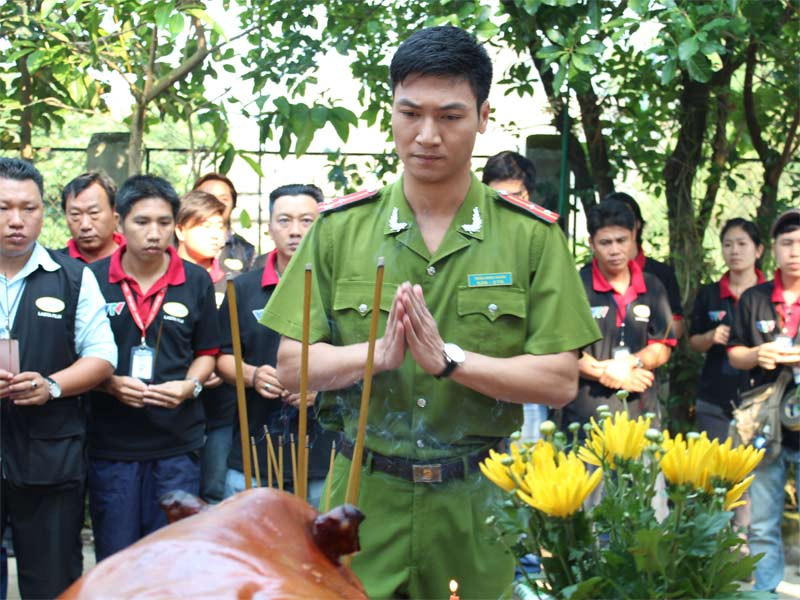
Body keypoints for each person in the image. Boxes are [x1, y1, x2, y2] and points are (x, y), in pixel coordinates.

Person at [261, 26, 601, 599]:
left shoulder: (530, 238)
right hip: (360, 499)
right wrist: (377, 355)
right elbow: (292, 367)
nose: (427, 135)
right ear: (391, 111)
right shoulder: (339, 230)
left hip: (476, 500)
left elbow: (560, 380)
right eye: (410, 113)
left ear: (483, 116)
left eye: (450, 116)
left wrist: (450, 361)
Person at [86, 175, 221, 561]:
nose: (154, 233)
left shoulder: (195, 280)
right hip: (112, 445)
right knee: (118, 558)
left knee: (172, 559)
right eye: (142, 222)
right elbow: (78, 355)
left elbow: (208, 352)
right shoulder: (91, 279)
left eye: (164, 222)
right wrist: (108, 383)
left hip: (177, 445)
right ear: (119, 222)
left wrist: (189, 386)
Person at [0, 158, 117, 598]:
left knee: (52, 581)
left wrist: (52, 386)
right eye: (3, 208)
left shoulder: (72, 277)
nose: (16, 220)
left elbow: (103, 355)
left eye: (28, 208)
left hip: (49, 456)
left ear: (43, 212)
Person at [218, 184, 334, 506]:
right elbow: (220, 357)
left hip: (324, 455)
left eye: (306, 220)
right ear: (269, 227)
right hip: (254, 450)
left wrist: (322, 390)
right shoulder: (241, 289)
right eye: (284, 220)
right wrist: (253, 375)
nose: (295, 231)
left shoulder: (339, 287)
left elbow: (363, 361)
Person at [728, 208, 800, 593]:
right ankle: (765, 591)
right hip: (765, 427)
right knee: (761, 523)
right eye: (787, 243)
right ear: (772, 249)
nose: (795, 251)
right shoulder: (755, 298)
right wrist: (758, 354)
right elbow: (734, 354)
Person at [566, 199, 676, 426]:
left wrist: (628, 363)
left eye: (621, 240)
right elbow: (565, 352)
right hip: (586, 415)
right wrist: (612, 375)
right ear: (592, 243)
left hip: (642, 414)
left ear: (633, 237)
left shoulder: (653, 286)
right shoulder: (575, 287)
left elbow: (662, 346)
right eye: (605, 242)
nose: (614, 250)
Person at [175, 190, 235, 504]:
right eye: (205, 226)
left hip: (221, 405)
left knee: (215, 490)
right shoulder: (164, 275)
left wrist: (217, 365)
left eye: (220, 226)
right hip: (173, 404)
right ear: (180, 229)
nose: (216, 235)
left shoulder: (235, 277)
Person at [689, 218, 765, 441]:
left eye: (742, 244)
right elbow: (693, 342)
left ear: (758, 250)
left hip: (761, 398)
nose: (735, 251)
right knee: (715, 461)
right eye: (728, 244)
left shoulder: (768, 295)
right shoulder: (709, 294)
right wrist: (710, 337)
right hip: (715, 396)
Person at [607, 192, 685, 339]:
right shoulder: (587, 276)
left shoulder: (662, 274)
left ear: (637, 223)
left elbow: (676, 328)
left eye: (625, 217)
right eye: (611, 218)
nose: (618, 224)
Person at [193, 173, 255, 272]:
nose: (216, 203)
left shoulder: (246, 251)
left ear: (233, 204)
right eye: (208, 197)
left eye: (223, 199)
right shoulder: (177, 245)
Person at [60, 171, 124, 263]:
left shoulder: (135, 261)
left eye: (94, 212)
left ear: (115, 215)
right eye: (75, 214)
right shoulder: (55, 265)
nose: (85, 225)